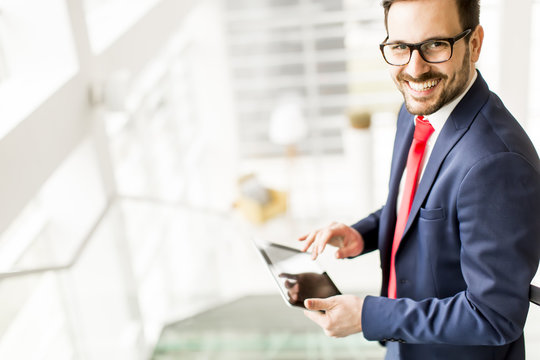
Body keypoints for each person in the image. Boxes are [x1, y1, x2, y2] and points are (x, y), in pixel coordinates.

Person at [298, 0, 540, 359]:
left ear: (474, 44)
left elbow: (494, 317)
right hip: (406, 346)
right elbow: (422, 205)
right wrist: (363, 234)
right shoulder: (416, 109)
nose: (414, 69)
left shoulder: (496, 163)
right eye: (399, 47)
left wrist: (368, 315)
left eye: (435, 45)